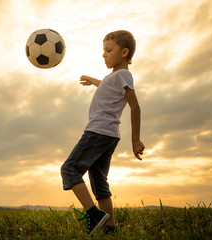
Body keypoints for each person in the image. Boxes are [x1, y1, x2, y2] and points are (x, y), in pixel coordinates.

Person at [60, 30, 145, 234]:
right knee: (99, 181)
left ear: (124, 52)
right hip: (109, 134)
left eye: (109, 50)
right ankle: (110, 228)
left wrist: (136, 140)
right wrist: (95, 81)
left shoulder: (123, 74)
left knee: (69, 169)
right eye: (103, 50)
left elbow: (135, 106)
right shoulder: (115, 77)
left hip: (98, 132)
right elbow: (110, 87)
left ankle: (94, 214)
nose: (104, 54)